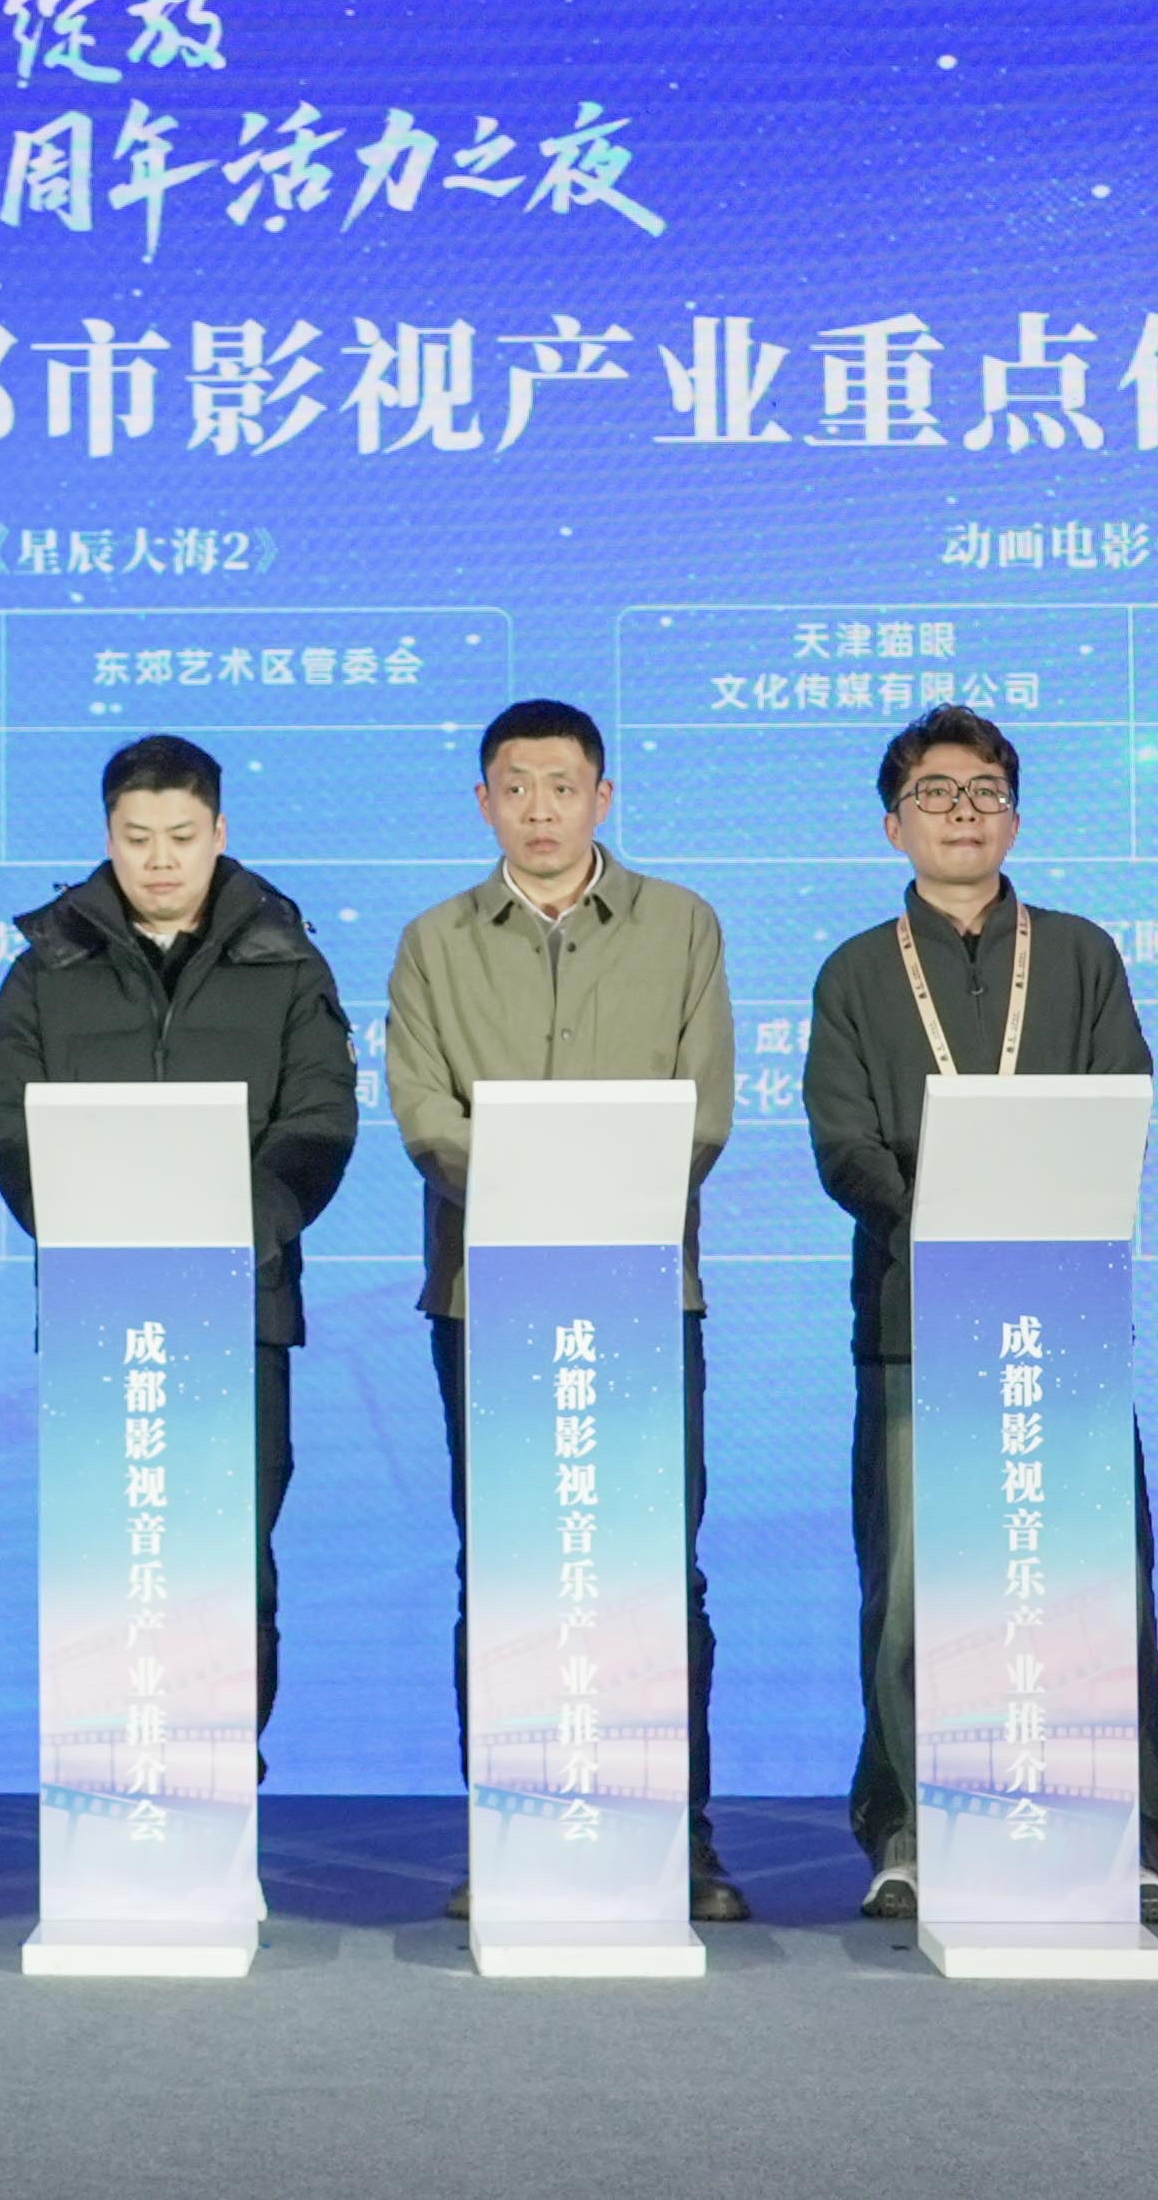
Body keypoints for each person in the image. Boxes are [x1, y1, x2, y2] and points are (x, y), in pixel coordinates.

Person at [799, 706, 1158, 1928]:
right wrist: (939, 1223)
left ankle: (1125, 1833)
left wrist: (1031, 1220)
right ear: (891, 823)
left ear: (1014, 816)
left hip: (1062, 1317)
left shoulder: (1079, 953)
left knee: (1097, 1577)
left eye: (982, 792)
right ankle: (907, 1829)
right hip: (913, 1318)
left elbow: (1121, 1102)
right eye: (934, 792)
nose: (960, 813)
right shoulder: (856, 970)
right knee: (911, 1588)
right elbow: (842, 1139)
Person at [381, 698, 744, 1924]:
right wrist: (536, 1187)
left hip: (643, 1291)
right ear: (483, 801)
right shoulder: (433, 941)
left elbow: (703, 1108)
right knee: (504, 1568)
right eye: (514, 786)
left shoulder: (680, 924)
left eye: (561, 785)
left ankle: (679, 1837)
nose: (538, 809)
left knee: (655, 1569)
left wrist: (598, 1193)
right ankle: (508, 1827)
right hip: (484, 1296)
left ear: (602, 796)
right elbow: (423, 1111)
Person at [0, 732, 361, 1764]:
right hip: (100, 1311)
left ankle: (222, 1774)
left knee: (231, 1556)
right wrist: (92, 1234)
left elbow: (320, 1121)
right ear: (107, 835)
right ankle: (110, 1779)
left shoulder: (285, 960)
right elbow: (8, 1124)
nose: (158, 858)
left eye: (180, 836)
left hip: (240, 1308)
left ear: (218, 831)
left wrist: (226, 1239)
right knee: (108, 1555)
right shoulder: (46, 966)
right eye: (136, 836)